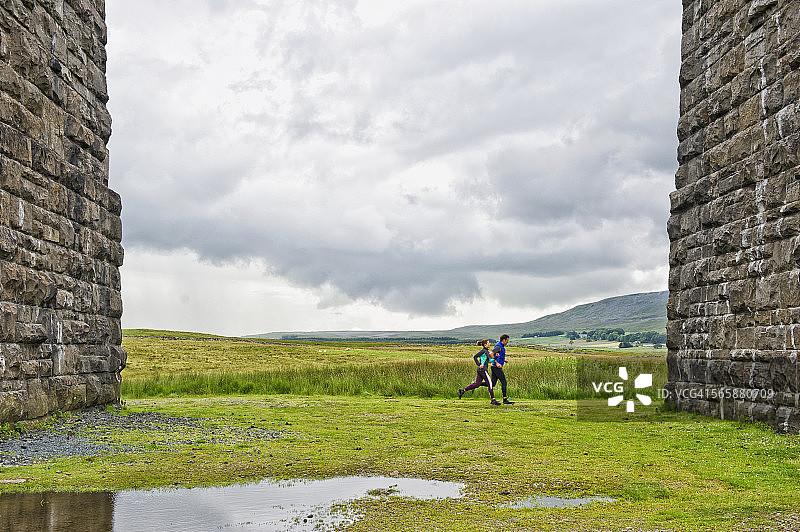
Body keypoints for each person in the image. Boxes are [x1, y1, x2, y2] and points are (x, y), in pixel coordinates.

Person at [459, 340, 502, 406]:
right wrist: (479, 364)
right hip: (483, 370)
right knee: (490, 384)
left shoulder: (486, 351)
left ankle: (463, 390)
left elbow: (489, 361)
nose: (489, 344)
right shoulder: (483, 351)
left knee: (477, 384)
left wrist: (496, 357)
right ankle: (493, 400)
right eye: (488, 343)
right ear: (485, 344)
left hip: (480, 370)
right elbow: (475, 356)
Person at [491, 334, 514, 404]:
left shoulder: (501, 346)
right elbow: (491, 354)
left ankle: (476, 385)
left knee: (492, 384)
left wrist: (503, 360)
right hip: (496, 367)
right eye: (507, 340)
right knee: (504, 382)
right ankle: (505, 399)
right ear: (504, 340)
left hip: (494, 367)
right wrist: (497, 363)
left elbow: (497, 355)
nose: (507, 342)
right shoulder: (499, 346)